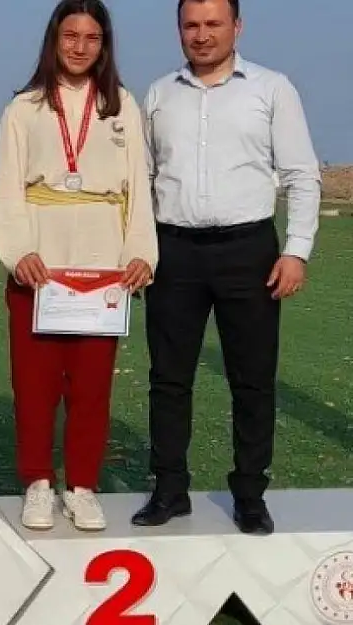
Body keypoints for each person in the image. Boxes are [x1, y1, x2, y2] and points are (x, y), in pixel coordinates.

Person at [132, 0, 320, 535]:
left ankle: (251, 494)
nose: (201, 35)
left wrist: (296, 250)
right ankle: (169, 490)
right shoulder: (159, 94)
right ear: (179, 31)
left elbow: (301, 174)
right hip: (175, 251)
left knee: (253, 381)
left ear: (237, 26)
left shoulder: (271, 88)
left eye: (213, 24)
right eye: (191, 25)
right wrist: (142, 250)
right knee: (169, 380)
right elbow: (144, 178)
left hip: (250, 251)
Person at [0, 0, 157, 532]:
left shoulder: (122, 107)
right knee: (35, 384)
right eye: (71, 36)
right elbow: (9, 189)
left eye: (91, 37)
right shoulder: (24, 108)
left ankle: (82, 485)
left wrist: (140, 255)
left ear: (104, 45)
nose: (80, 47)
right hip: (40, 267)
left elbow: (138, 185)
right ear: (54, 39)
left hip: (101, 269)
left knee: (91, 387)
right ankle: (37, 483)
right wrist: (19, 253)